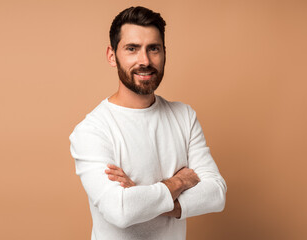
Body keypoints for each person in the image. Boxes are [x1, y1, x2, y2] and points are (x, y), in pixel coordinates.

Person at [69, 6, 227, 240]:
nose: (145, 60)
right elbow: (121, 210)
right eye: (132, 49)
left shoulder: (184, 116)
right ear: (112, 56)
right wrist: (179, 181)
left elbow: (216, 194)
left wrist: (140, 197)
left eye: (153, 49)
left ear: (164, 53)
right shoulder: (92, 130)